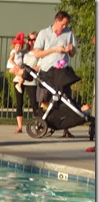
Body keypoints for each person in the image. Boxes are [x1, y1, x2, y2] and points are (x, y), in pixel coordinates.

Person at [33, 10, 77, 138]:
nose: (65, 26)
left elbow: (72, 54)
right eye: (63, 24)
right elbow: (37, 53)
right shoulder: (44, 33)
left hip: (62, 72)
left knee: (65, 99)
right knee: (45, 99)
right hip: (47, 71)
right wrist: (53, 50)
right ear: (56, 21)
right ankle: (43, 124)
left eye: (66, 24)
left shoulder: (69, 33)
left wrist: (71, 49)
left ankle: (66, 128)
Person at [7, 32, 26, 133]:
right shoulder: (13, 52)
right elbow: (10, 60)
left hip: (18, 69)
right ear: (14, 45)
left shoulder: (21, 53)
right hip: (14, 67)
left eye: (20, 46)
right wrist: (16, 66)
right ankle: (19, 84)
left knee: (23, 73)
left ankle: (19, 83)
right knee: (24, 73)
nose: (18, 47)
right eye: (17, 45)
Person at [21, 31, 40, 117]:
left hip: (32, 80)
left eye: (33, 39)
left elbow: (38, 66)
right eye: (29, 39)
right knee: (19, 103)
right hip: (22, 78)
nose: (31, 42)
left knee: (34, 102)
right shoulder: (24, 52)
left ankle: (37, 119)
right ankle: (19, 124)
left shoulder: (38, 52)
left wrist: (31, 70)